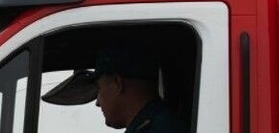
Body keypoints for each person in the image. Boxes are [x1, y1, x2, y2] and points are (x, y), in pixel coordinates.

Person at [41, 43, 189, 132]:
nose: (97, 102)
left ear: (118, 84)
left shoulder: (159, 129)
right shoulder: (161, 123)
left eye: (99, 88)